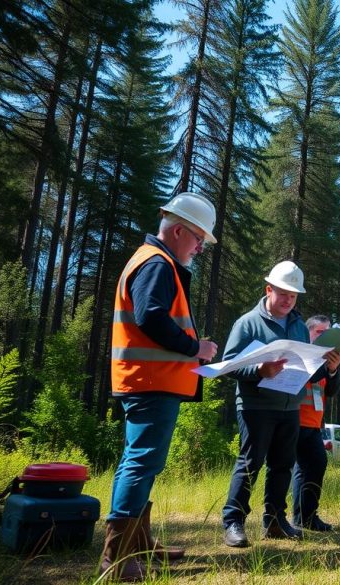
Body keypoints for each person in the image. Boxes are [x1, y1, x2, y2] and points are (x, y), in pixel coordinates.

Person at [101, 192, 219, 581]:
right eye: (199, 238)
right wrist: (194, 347)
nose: (201, 247)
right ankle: (117, 558)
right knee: (141, 462)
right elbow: (151, 316)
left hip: (146, 381)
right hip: (149, 383)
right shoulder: (157, 263)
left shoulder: (154, 261)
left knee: (141, 461)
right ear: (179, 230)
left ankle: (137, 543)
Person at [221, 262, 340, 547]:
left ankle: (275, 521)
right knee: (250, 463)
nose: (288, 300)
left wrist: (330, 367)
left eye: (294, 295)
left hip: (290, 407)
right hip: (256, 406)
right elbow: (229, 365)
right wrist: (259, 371)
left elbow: (307, 367)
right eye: (283, 293)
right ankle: (233, 522)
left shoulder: (299, 326)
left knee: (283, 466)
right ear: (269, 290)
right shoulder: (247, 323)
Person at [291, 315, 340, 532]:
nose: (325, 337)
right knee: (290, 469)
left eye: (328, 333)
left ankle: (308, 517)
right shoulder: (301, 354)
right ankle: (283, 518)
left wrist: (333, 370)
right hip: (292, 419)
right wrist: (325, 365)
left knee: (316, 465)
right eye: (321, 332)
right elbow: (307, 378)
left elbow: (330, 391)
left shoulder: (325, 359)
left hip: (314, 424)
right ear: (308, 333)